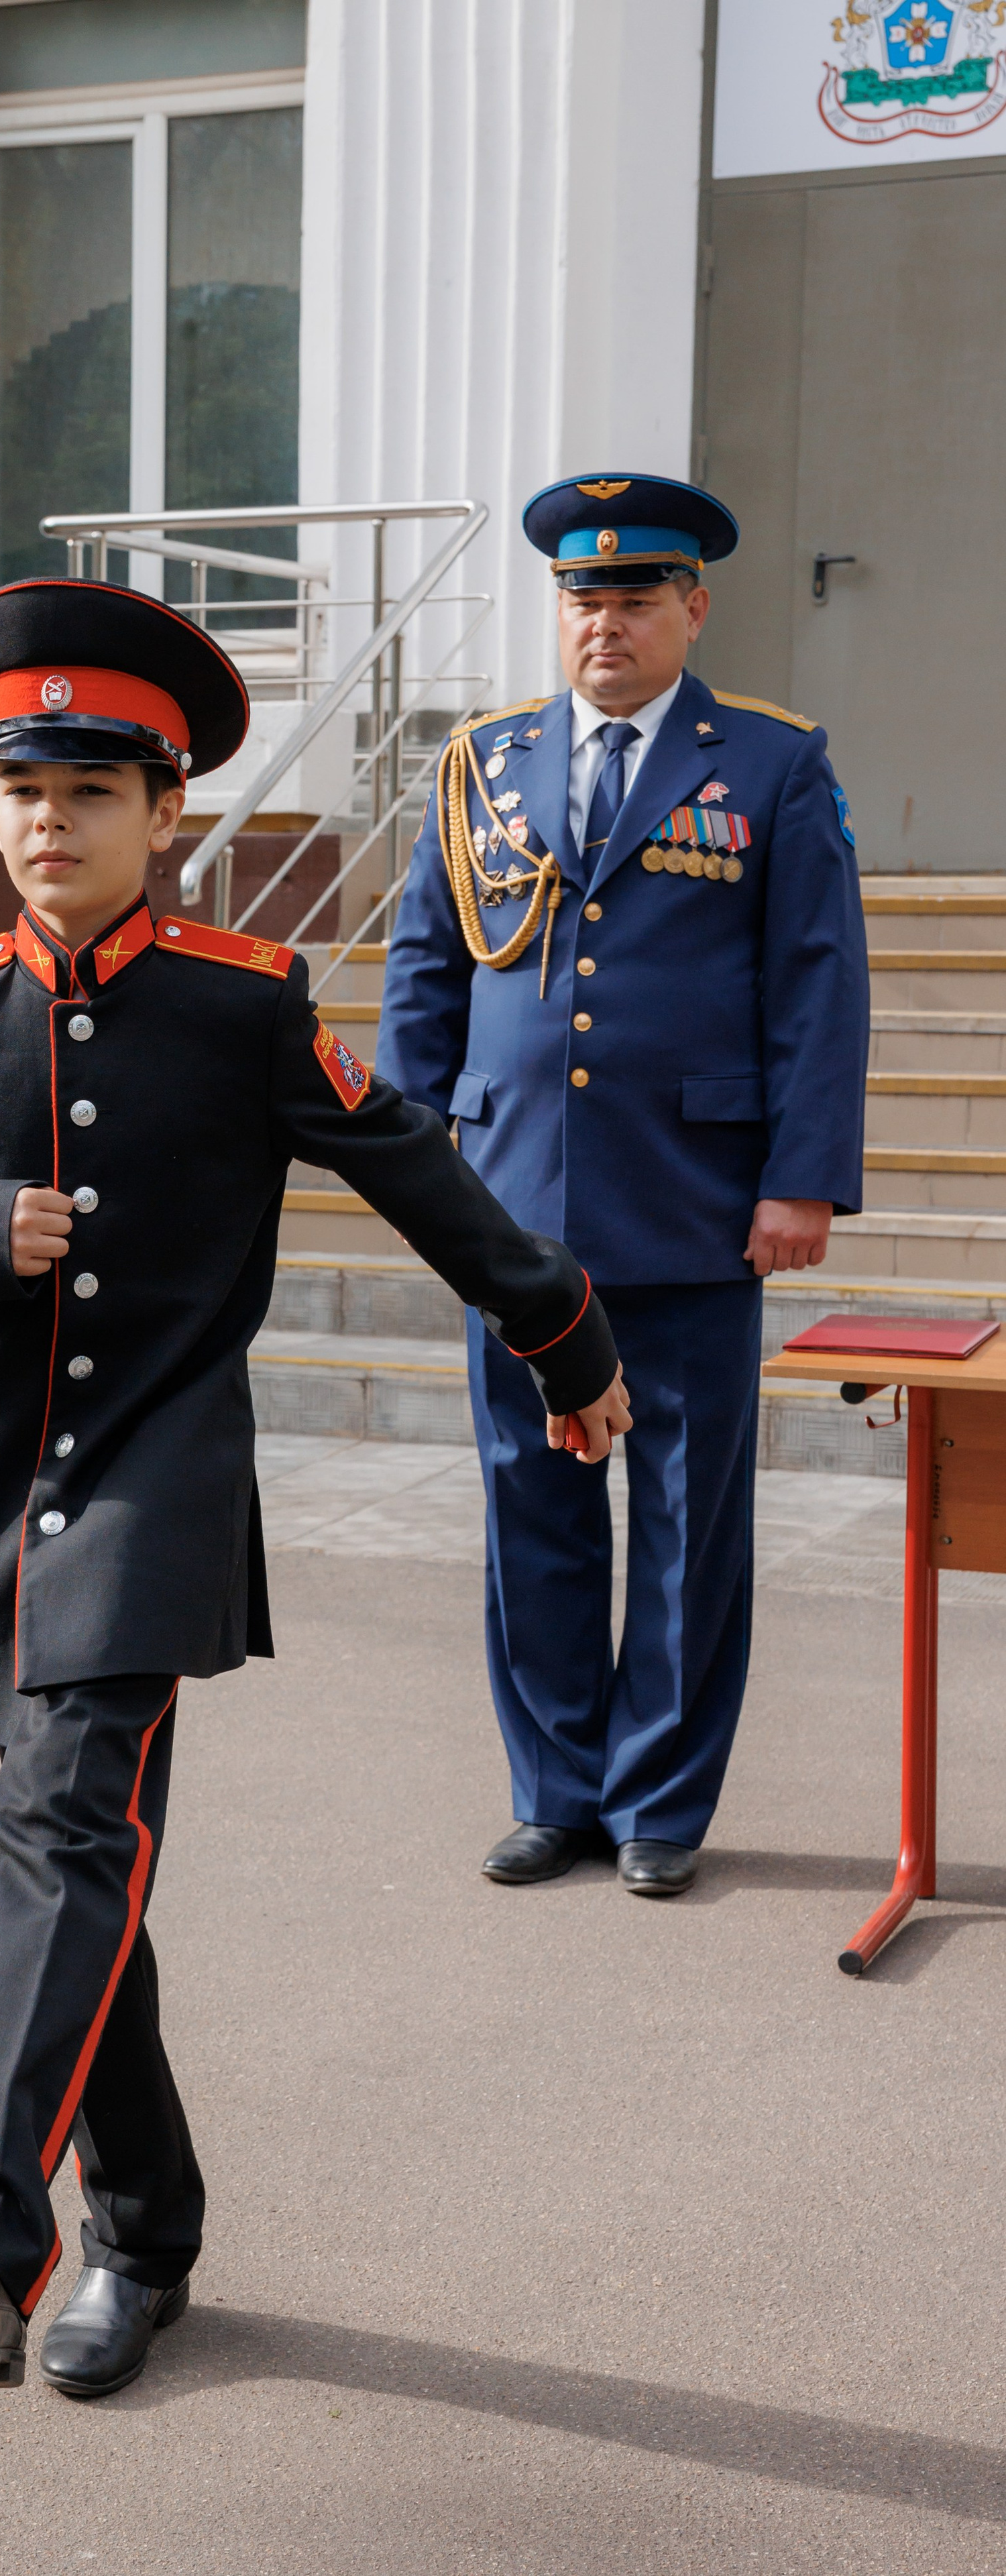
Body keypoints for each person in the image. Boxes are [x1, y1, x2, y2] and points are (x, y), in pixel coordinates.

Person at [0, 577, 627, 2400]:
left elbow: (415, 1170)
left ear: (167, 815)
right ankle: (150, 2232)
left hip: (159, 1490)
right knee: (87, 1885)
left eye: (86, 793)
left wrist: (566, 1339)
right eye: (17, 791)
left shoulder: (247, 1001)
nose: (43, 826)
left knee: (62, 1834)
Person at [376, 473, 870, 1901]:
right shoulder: (482, 764)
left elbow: (815, 986)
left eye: (635, 596)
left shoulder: (769, 762)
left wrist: (800, 1183)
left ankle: (658, 1801)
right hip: (512, 1210)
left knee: (678, 1525)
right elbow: (425, 973)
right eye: (581, 597)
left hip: (696, 1206)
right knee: (529, 1504)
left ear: (690, 608)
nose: (604, 621)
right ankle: (554, 1793)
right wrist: (416, 1167)